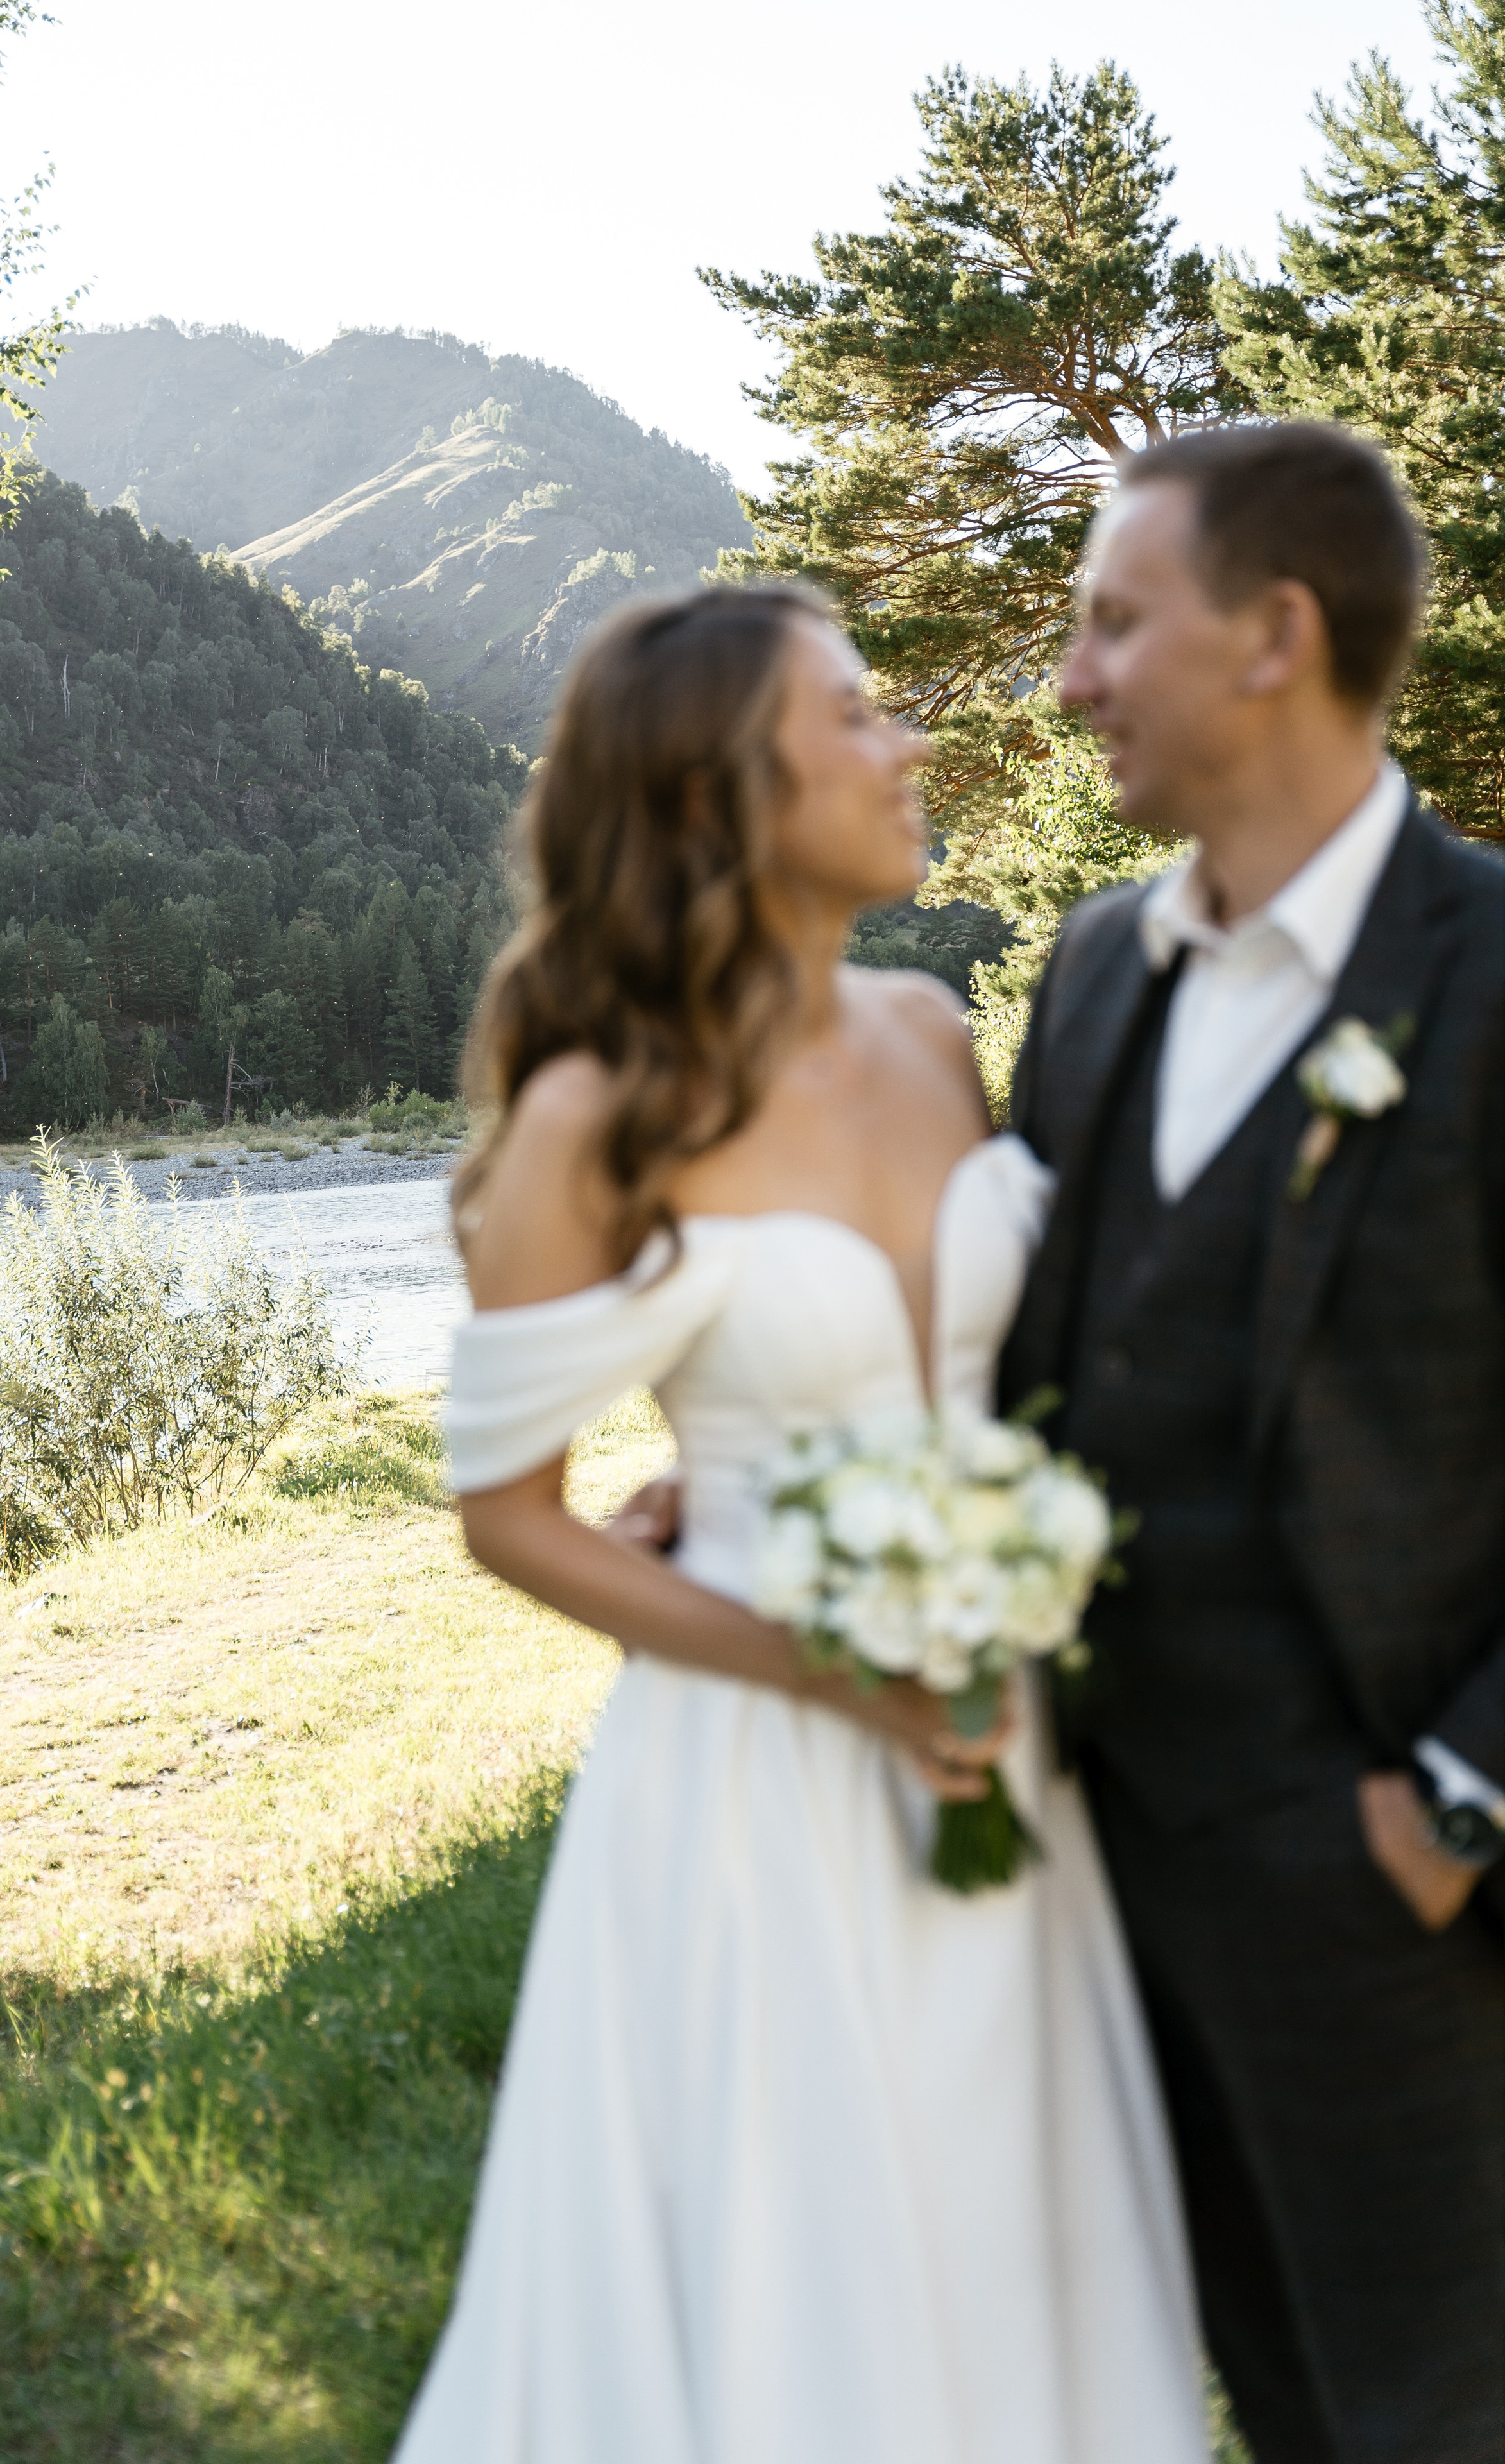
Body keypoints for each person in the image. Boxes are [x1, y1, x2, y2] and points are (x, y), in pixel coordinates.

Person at [390, 586, 1209, 2462]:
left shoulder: (933, 1033)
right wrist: (830, 1669)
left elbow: (1003, 1370)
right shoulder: (600, 1113)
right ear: (719, 794)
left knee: (1015, 2259)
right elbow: (507, 1516)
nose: (909, 742)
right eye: (855, 715)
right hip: (759, 1778)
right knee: (798, 2279)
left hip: (1006, 1746)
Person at [1002, 422, 1505, 2464]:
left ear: (1278, 633)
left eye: (1117, 622)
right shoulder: (1095, 966)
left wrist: (1457, 1801)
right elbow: (1018, 1349)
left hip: (1398, 1904)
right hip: (1093, 1873)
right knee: (1257, 2405)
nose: (1071, 678)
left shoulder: (1493, 971)